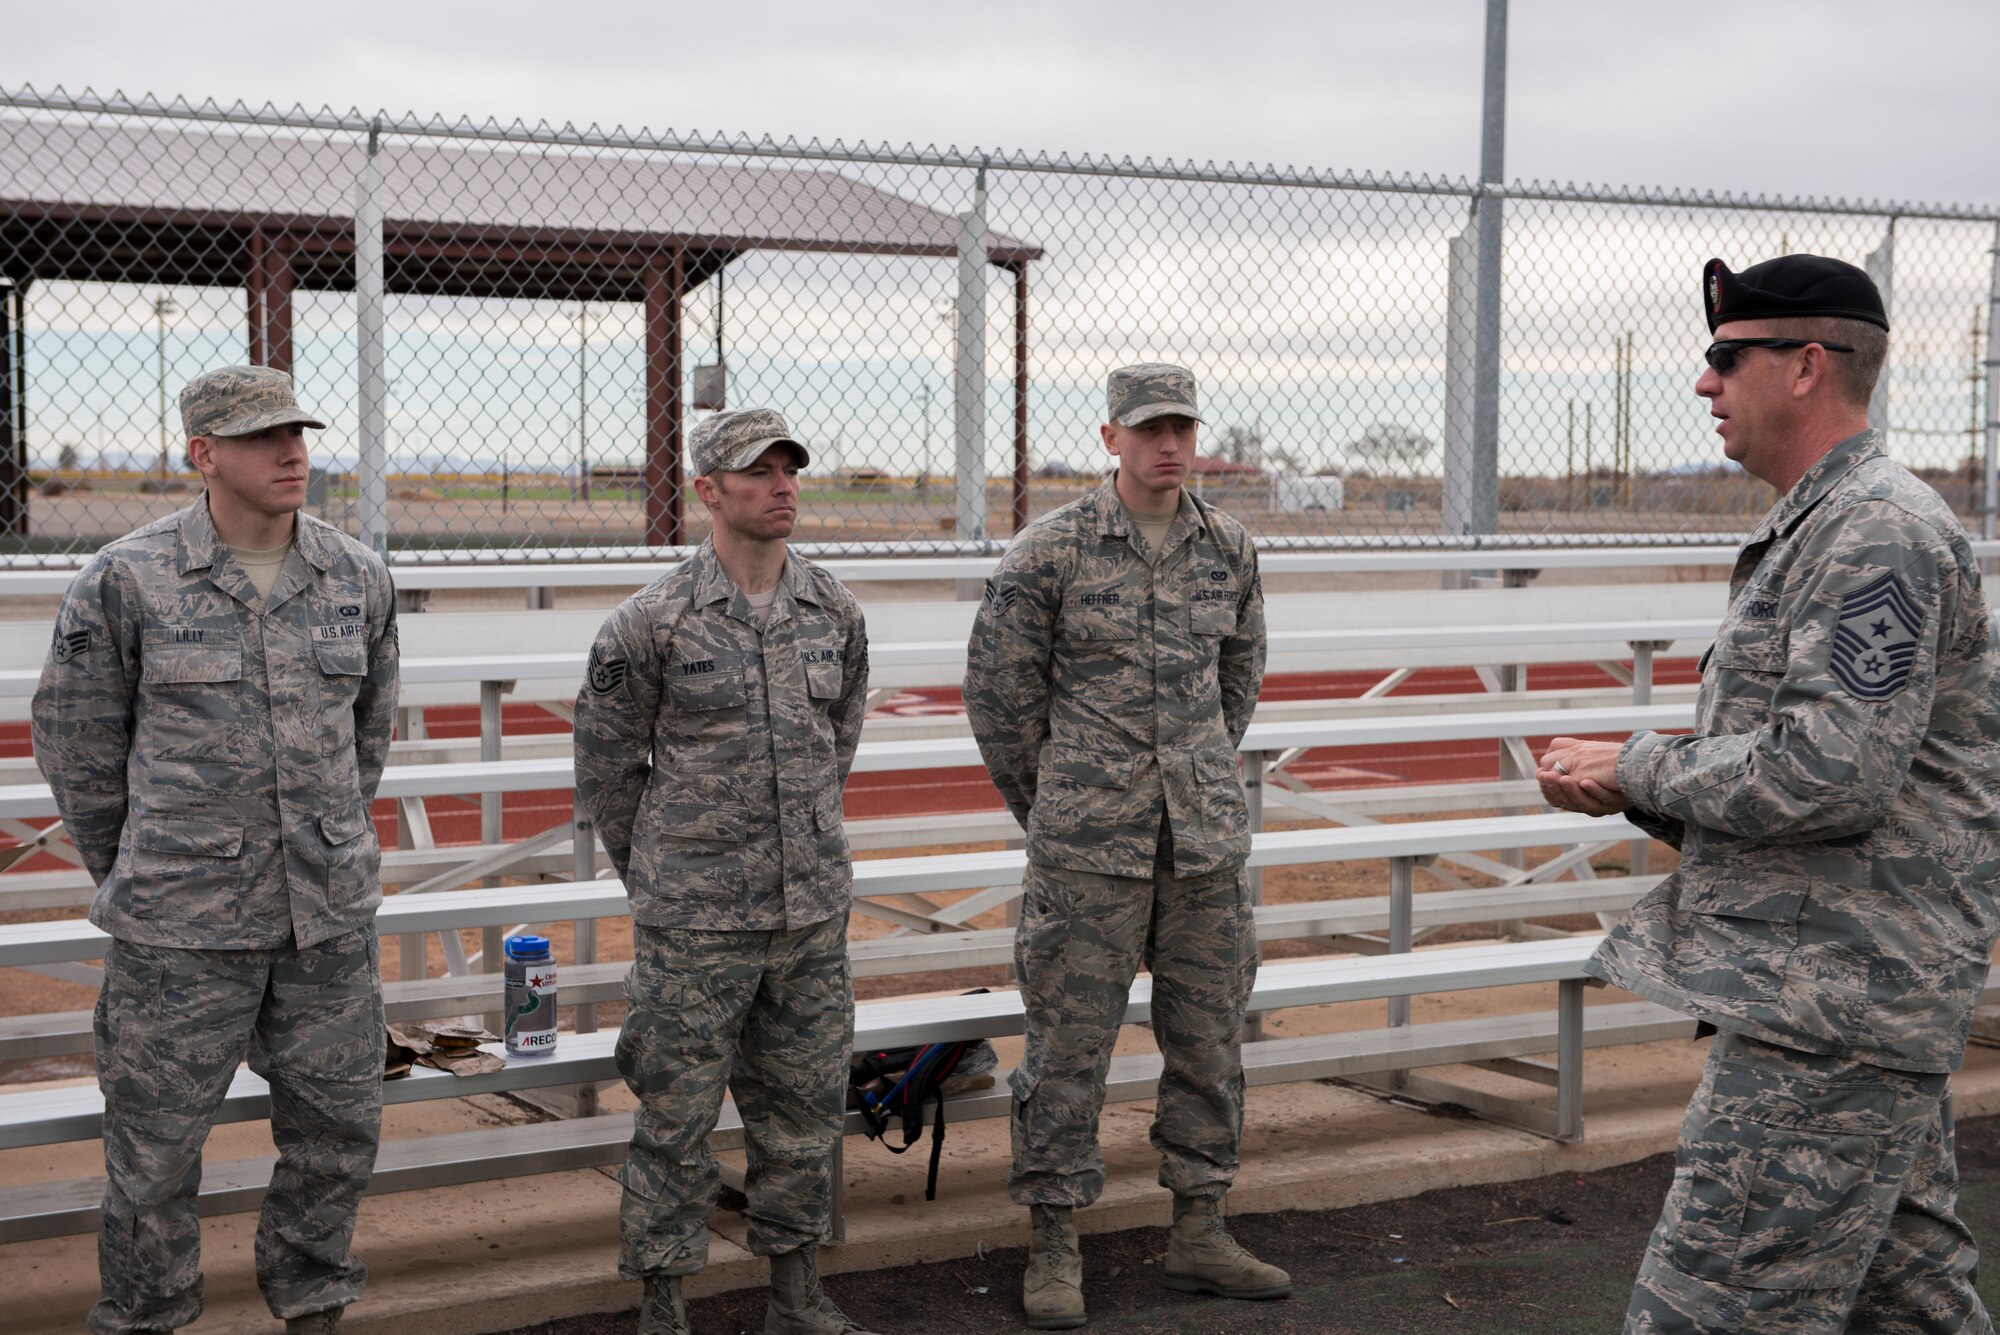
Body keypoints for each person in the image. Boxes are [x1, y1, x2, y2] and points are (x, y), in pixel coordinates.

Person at [1538, 255, 2000, 1333]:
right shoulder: (1827, 523)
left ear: (1803, 367)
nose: (1704, 383)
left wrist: (1636, 763)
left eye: (1723, 356)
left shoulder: (1874, 530)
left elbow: (1825, 773)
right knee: (1909, 1308)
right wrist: (1631, 790)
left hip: (1831, 1009)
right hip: (1844, 993)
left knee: (1705, 1312)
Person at [32, 366, 399, 1335]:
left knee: (335, 1137)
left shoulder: (355, 577)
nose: (292, 452)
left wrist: (323, 844)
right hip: (179, 929)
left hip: (323, 923)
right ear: (203, 456)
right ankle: (151, 1318)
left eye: (297, 433)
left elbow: (367, 736)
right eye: (262, 437)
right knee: (152, 1160)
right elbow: (76, 742)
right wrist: (139, 867)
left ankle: (314, 1307)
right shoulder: (127, 579)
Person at [963, 363, 1284, 1329]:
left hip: (1202, 850)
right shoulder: (1049, 552)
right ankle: (1056, 1241)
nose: (1169, 444)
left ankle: (1199, 1226)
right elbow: (1000, 699)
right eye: (1149, 429)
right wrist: (1064, 804)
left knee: (1208, 1041)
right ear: (1111, 438)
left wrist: (1189, 783)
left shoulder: (1229, 547)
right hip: (1087, 850)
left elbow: (1239, 679)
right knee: (1068, 1049)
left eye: (1182, 425)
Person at [573, 408, 877, 1335]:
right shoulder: (649, 622)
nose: (783, 483)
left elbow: (840, 741)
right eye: (759, 471)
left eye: (791, 467)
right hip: (696, 920)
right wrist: (669, 872)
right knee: (675, 1116)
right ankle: (664, 1303)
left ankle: (795, 1288)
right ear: (709, 489)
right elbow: (609, 771)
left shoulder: (833, 610)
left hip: (809, 910)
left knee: (804, 1110)